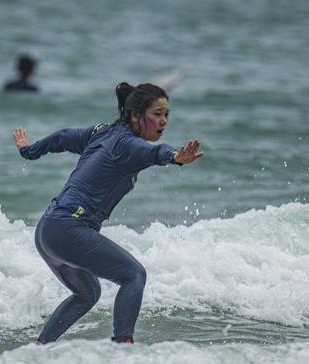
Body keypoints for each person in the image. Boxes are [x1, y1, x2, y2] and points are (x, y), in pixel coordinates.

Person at [13, 82, 203, 344]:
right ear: (136, 116)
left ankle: (38, 349)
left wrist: (29, 151)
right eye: (157, 114)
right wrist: (175, 157)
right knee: (134, 275)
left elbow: (62, 137)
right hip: (69, 229)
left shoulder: (101, 132)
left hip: (48, 230)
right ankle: (122, 349)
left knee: (87, 294)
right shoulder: (128, 145)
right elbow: (154, 152)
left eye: (167, 114)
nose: (164, 121)